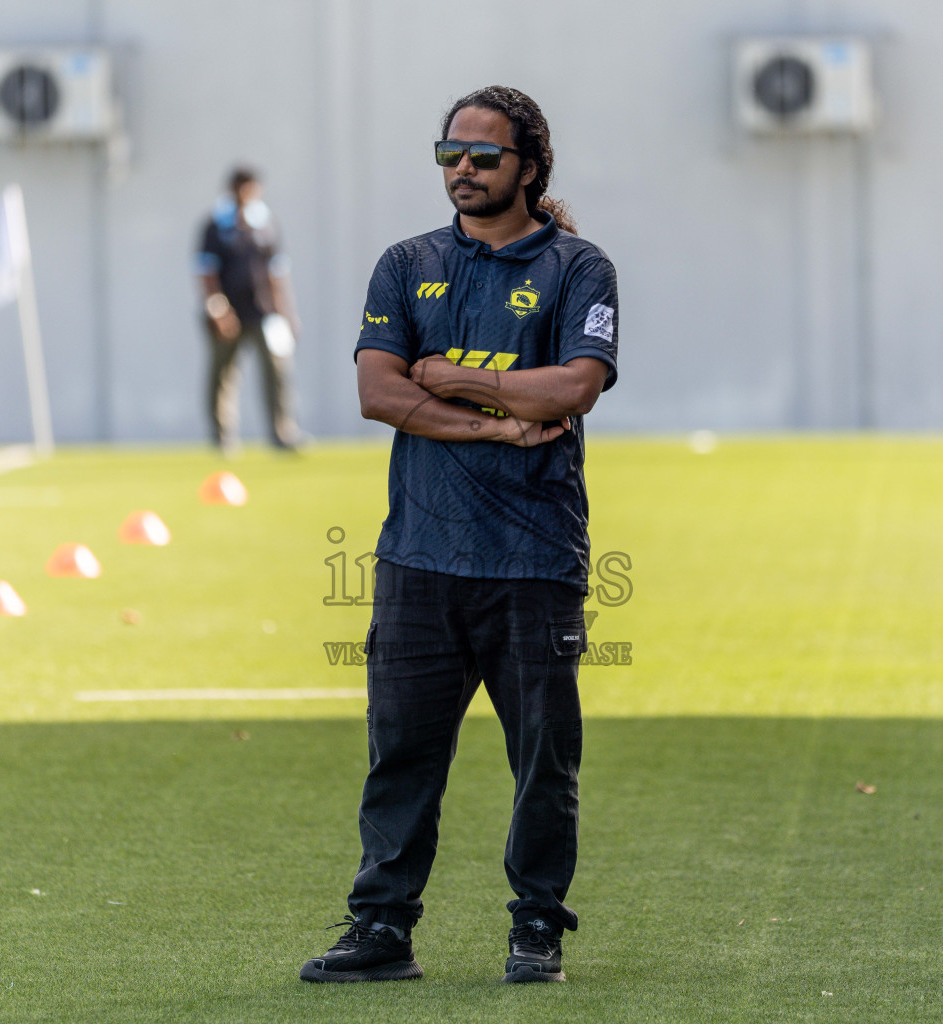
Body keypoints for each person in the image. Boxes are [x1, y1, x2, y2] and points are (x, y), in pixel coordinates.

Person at [299, 85, 619, 985]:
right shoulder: (407, 264)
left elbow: (576, 387)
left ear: (531, 166)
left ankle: (537, 928)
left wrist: (451, 377)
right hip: (419, 559)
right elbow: (378, 393)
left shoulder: (579, 268)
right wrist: (500, 424)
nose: (464, 170)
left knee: (543, 763)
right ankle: (381, 928)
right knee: (400, 757)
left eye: (483, 155)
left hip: (534, 559)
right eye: (450, 155)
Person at [194, 166, 304, 453]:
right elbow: (206, 271)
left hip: (264, 312)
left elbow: (277, 272)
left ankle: (282, 432)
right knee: (223, 375)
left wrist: (286, 313)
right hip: (228, 314)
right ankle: (223, 438)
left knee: (277, 372)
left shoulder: (265, 223)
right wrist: (218, 310)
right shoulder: (216, 225)